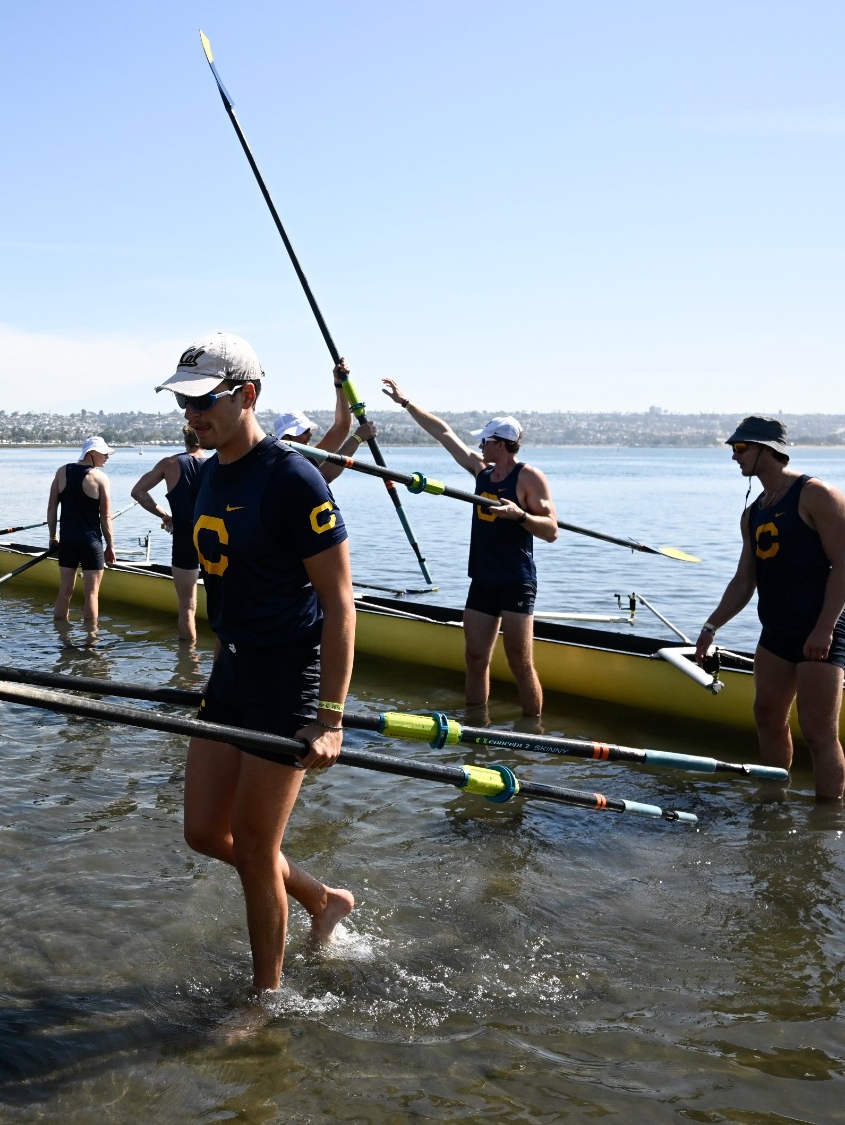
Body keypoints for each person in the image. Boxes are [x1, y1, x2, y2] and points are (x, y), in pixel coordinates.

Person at [156, 330, 357, 994]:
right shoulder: (208, 472)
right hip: (232, 670)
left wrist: (329, 718)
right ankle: (322, 898)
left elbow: (340, 603)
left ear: (247, 395)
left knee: (252, 845)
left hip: (287, 679)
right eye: (184, 404)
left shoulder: (292, 477)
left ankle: (264, 1002)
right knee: (204, 830)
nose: (192, 415)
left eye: (203, 401)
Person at [692, 417, 845, 802]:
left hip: (819, 626)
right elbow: (744, 581)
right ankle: (773, 804)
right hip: (776, 630)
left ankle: (826, 821)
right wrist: (711, 625)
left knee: (818, 732)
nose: (734, 457)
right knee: (767, 717)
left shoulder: (817, 494)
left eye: (740, 449)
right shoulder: (753, 512)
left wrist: (824, 628)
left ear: (767, 450)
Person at [380, 382, 558, 716]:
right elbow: (444, 433)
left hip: (516, 580)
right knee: (475, 658)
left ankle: (534, 731)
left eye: (485, 441)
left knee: (520, 662)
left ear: (501, 445)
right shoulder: (481, 470)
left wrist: (519, 515)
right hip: (483, 578)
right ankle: (477, 726)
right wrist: (405, 402)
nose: (479, 445)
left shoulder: (528, 478)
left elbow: (551, 530)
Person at [129, 427, 214, 643]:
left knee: (187, 607)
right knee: (222, 604)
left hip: (184, 537)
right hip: (214, 538)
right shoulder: (218, 463)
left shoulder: (170, 464)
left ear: (185, 440)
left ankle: (187, 666)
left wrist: (165, 515)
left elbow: (138, 492)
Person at [46, 437, 117, 628]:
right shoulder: (100, 478)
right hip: (90, 541)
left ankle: (61, 637)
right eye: (104, 453)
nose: (107, 457)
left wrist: (53, 537)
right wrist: (110, 546)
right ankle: (91, 640)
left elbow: (52, 509)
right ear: (91, 453)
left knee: (65, 590)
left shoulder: (62, 472)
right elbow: (106, 517)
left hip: (67, 541)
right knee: (91, 594)